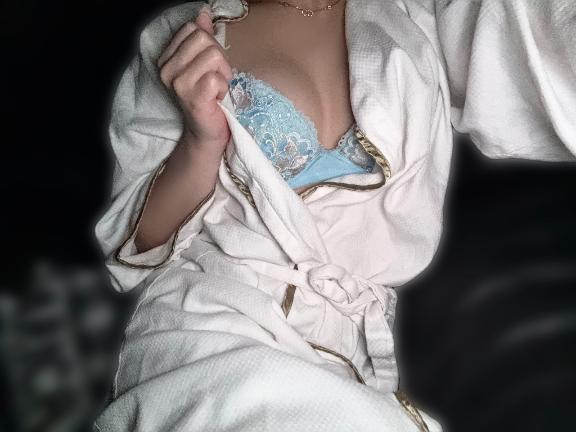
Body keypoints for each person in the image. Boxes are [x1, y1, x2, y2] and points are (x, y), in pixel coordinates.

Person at [93, 0, 576, 430]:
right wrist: (202, 138)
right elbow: (136, 246)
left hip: (350, 355)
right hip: (208, 315)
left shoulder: (418, 21)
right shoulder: (185, 33)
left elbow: (543, 45)